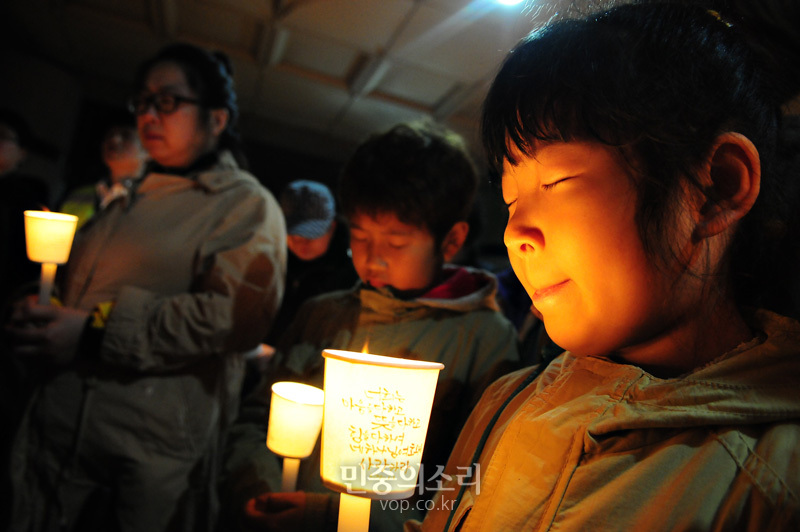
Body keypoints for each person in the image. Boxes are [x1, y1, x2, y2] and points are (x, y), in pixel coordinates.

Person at [411, 3, 800, 531]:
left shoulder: (771, 481)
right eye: (510, 200)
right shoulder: (507, 399)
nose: (514, 233)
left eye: (557, 182)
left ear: (715, 188)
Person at [5, 43, 287, 532]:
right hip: (59, 439)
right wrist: (37, 305)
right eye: (142, 101)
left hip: (149, 456)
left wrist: (91, 333)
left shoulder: (243, 205)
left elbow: (232, 318)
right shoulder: (129, 198)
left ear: (216, 119)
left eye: (168, 101)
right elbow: (81, 288)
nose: (149, 115)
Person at [221, 121, 520, 531]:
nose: (371, 258)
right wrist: (258, 488)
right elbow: (256, 420)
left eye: (396, 243)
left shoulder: (485, 340)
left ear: (451, 241)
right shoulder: (322, 315)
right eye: (360, 236)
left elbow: (473, 483)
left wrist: (332, 515)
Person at [265, 179, 358, 345]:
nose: (301, 242)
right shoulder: (269, 260)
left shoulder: (351, 273)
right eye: (293, 234)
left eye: (311, 235)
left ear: (332, 228)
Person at [60, 114, 149, 228]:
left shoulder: (154, 199)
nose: (114, 139)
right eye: (110, 135)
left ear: (148, 151)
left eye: (126, 136)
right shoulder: (78, 196)